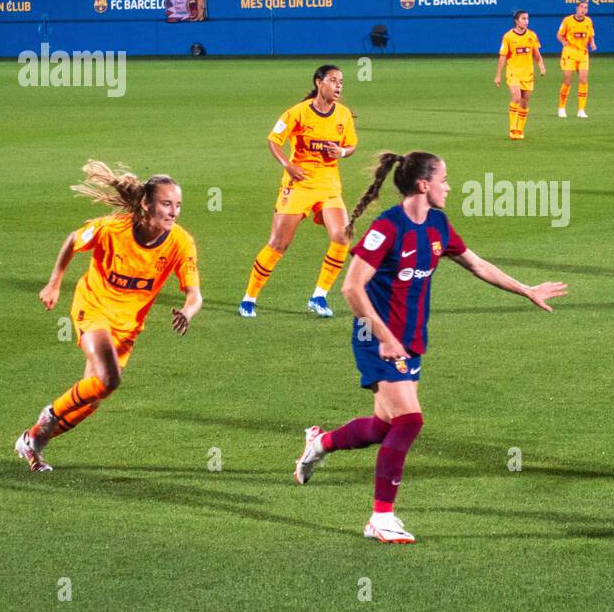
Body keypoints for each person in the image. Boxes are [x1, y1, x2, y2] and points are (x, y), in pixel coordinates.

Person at [294, 151, 568, 542]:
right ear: (424, 185)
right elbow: (352, 287)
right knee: (410, 420)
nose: (449, 186)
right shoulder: (387, 227)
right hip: (378, 337)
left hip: (410, 339)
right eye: (444, 179)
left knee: (382, 426)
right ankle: (380, 518)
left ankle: (320, 442)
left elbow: (476, 263)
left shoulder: (438, 224)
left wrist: (526, 290)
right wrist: (386, 338)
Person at [15, 162, 201, 472]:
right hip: (94, 308)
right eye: (166, 204)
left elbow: (195, 294)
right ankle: (48, 416)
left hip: (127, 326)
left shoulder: (181, 242)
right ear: (147, 203)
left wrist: (187, 311)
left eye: (178, 205)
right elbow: (74, 240)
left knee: (94, 397)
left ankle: (33, 440)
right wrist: (54, 283)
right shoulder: (112, 229)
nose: (173, 211)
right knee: (110, 378)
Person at [239, 64, 358, 319]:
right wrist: (288, 165)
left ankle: (319, 296)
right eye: (333, 80)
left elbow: (351, 145)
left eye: (341, 82)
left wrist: (342, 152)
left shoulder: (344, 115)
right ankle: (249, 298)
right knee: (279, 243)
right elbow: (274, 140)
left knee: (342, 237)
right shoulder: (297, 113)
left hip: (328, 185)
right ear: (319, 82)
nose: (339, 86)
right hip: (298, 184)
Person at [495, 9, 545, 140]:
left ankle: (520, 129)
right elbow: (503, 56)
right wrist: (498, 75)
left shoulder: (532, 35)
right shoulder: (508, 37)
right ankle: (512, 128)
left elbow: (536, 53)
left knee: (524, 102)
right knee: (516, 97)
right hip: (513, 72)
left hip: (527, 73)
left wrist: (541, 65)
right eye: (523, 18)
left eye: (527, 18)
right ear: (516, 21)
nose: (526, 21)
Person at [556, 0, 596, 119]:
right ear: (577, 8)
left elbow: (591, 35)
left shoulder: (588, 21)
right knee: (567, 81)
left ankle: (581, 109)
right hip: (570, 53)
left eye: (586, 8)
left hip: (583, 53)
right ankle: (562, 107)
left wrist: (592, 43)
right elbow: (559, 34)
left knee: (583, 80)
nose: (584, 10)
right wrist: (563, 41)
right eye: (582, 7)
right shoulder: (567, 20)